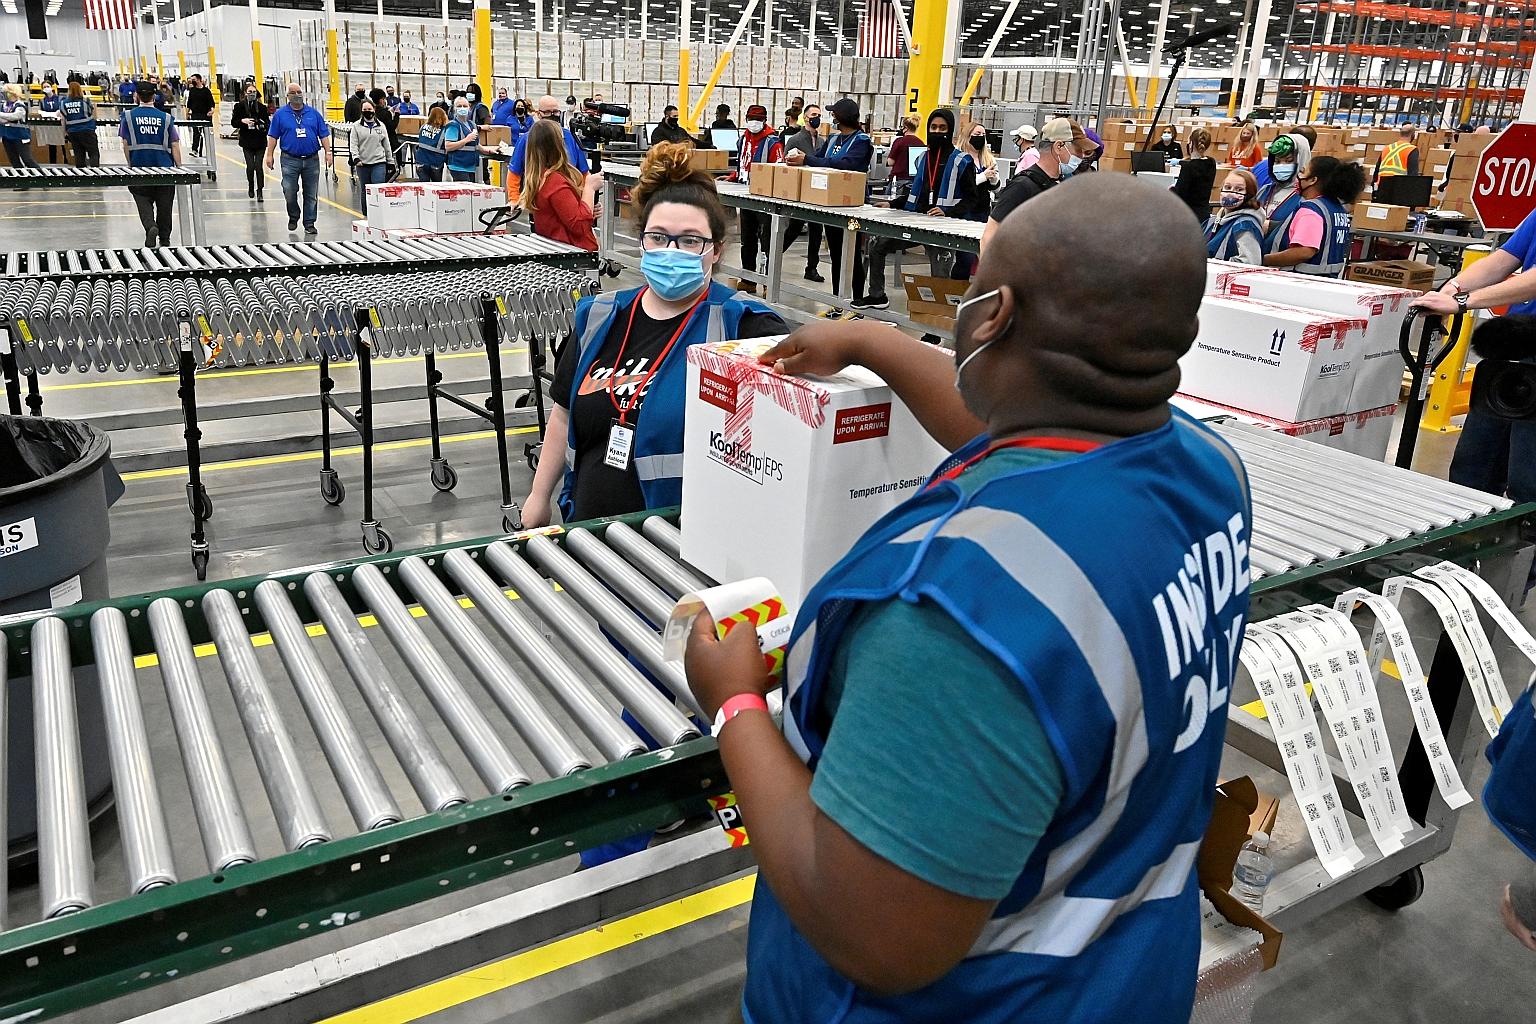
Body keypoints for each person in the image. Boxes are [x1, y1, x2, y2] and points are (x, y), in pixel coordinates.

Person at [682, 173, 1251, 1024]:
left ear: (994, 316)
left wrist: (733, 705)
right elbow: (1013, 432)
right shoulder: (1207, 473)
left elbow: (874, 936)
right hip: (1117, 980)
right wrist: (869, 341)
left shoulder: (956, 614)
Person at [523, 139, 786, 529]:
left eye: (690, 240)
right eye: (659, 237)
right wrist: (538, 496)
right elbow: (563, 415)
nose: (671, 250)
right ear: (642, 240)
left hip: (681, 545)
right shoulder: (599, 316)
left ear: (715, 250)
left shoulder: (744, 327)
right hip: (587, 531)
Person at [1407, 206, 1536, 510]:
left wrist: (1463, 302)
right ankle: (1464, 552)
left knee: (1528, 480)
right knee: (1473, 468)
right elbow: (1504, 259)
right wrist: (1451, 288)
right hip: (1515, 349)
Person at [856, 108, 981, 309]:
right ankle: (877, 295)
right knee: (877, 245)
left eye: (943, 128)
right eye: (933, 127)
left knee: (939, 275)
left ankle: (937, 322)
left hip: (942, 229)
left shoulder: (962, 161)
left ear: (950, 130)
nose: (937, 131)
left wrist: (947, 212)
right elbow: (918, 193)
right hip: (916, 223)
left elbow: (971, 199)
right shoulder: (923, 158)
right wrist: (892, 203)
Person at [786, 98, 870, 291]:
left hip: (854, 209)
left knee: (851, 254)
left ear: (842, 117)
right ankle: (838, 300)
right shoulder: (833, 139)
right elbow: (820, 159)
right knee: (836, 254)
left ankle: (855, 299)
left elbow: (847, 165)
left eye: (834, 114)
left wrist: (808, 159)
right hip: (831, 205)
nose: (832, 118)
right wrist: (803, 157)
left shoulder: (861, 141)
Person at [982, 116, 1090, 252]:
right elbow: (990, 235)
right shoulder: (1022, 186)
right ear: (1059, 147)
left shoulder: (1058, 185)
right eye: (1078, 150)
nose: (1082, 156)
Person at [1262, 155, 1365, 275]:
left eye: (1303, 172)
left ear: (1313, 180)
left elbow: (1304, 251)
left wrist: (1263, 260)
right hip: (1325, 282)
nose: (1298, 177)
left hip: (1300, 283)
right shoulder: (1337, 209)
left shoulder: (1311, 210)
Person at [519, 118, 603, 251]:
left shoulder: (540, 178)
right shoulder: (555, 182)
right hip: (573, 253)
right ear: (557, 146)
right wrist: (589, 189)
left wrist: (588, 206)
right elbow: (579, 226)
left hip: (555, 248)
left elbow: (562, 216)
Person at [725, 105, 783, 296]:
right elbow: (743, 165)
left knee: (766, 241)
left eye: (758, 119)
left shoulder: (772, 141)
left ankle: (766, 282)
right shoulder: (743, 139)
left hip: (765, 198)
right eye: (751, 119)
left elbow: (779, 168)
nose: (754, 122)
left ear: (765, 120)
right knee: (747, 240)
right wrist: (733, 176)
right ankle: (748, 280)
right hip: (746, 196)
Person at [119, 82, 182, 247]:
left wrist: (130, 163)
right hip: (164, 168)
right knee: (165, 204)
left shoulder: (128, 117)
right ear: (154, 97)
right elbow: (174, 144)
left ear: (137, 96)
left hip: (139, 167)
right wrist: (179, 167)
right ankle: (165, 238)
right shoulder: (166, 118)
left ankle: (150, 226)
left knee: (142, 200)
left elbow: (125, 143)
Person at [265, 82, 334, 235]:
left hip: (311, 159)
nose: (297, 95)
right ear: (287, 96)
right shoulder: (280, 115)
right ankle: (293, 215)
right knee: (289, 190)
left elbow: (323, 134)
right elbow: (273, 136)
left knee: (311, 193)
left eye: (299, 92)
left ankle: (309, 222)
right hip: (290, 159)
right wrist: (269, 154)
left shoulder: (314, 114)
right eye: (293, 92)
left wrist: (328, 152)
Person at [506, 94, 590, 201]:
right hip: (538, 199)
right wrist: (514, 200)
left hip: (568, 197)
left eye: (555, 112)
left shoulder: (569, 136)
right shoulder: (527, 139)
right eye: (547, 112)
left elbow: (584, 173)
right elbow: (514, 172)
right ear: (539, 114)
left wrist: (586, 199)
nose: (552, 115)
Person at [1204, 168, 1265, 264]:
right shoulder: (1212, 221)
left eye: (1239, 189)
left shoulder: (1245, 225)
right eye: (1227, 187)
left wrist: (1215, 264)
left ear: (1249, 195)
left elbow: (1250, 262)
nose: (1231, 192)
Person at [351, 98, 394, 214]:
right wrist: (356, 158)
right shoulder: (356, 127)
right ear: (361, 111)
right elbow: (353, 144)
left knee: (377, 188)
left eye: (369, 109)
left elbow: (387, 145)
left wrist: (390, 162)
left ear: (374, 109)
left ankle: (379, 213)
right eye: (364, 109)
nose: (367, 111)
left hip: (379, 162)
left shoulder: (381, 126)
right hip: (363, 164)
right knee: (365, 190)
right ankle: (367, 214)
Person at [232, 83, 270, 199]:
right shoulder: (239, 107)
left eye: (254, 92)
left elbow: (268, 124)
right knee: (250, 166)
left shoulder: (262, 107)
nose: (252, 94)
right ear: (245, 93)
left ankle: (260, 190)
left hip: (260, 141)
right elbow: (234, 123)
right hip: (246, 141)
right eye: (249, 92)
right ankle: (250, 185)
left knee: (258, 166)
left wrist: (260, 124)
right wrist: (243, 121)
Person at [1171, 126, 1216, 221]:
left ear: (1191, 143)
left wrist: (1171, 189)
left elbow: (1180, 194)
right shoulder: (1211, 162)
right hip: (1203, 213)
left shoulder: (1188, 167)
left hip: (1188, 215)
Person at [60, 81, 100, 168]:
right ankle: (95, 174)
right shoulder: (86, 101)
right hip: (87, 130)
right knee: (93, 153)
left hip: (73, 132)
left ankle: (82, 176)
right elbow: (94, 115)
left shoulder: (64, 103)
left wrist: (64, 133)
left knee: (79, 155)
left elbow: (63, 119)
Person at [0, 84, 40, 170]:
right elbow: (3, 120)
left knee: (27, 159)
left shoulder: (20, 106)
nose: (4, 94)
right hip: (7, 136)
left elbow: (15, 116)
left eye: (6, 92)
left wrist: (4, 116)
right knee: (14, 161)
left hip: (20, 136)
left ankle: (43, 177)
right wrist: (5, 117)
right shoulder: (3, 106)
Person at [443, 96, 482, 182]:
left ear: (469, 108)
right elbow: (448, 146)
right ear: (455, 109)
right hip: (458, 166)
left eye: (465, 106)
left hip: (471, 166)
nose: (462, 108)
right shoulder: (453, 125)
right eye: (459, 106)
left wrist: (489, 150)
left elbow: (476, 144)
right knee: (464, 193)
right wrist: (466, 140)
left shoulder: (472, 125)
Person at [1374, 123, 1421, 187]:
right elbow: (1413, 174)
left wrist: (1374, 187)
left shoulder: (1387, 148)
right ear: (1412, 135)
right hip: (1398, 187)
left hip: (1381, 186)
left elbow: (1377, 169)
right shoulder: (1412, 149)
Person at [887, 115, 921, 199]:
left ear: (905, 128)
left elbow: (890, 162)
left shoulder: (899, 141)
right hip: (914, 182)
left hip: (898, 182)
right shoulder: (921, 142)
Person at [966, 122, 999, 209]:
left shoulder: (989, 159)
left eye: (983, 134)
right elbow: (961, 185)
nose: (981, 136)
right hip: (965, 208)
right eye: (978, 134)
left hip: (984, 209)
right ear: (968, 136)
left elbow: (996, 189)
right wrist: (983, 176)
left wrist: (994, 179)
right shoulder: (960, 158)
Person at [413, 106, 449, 181]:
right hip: (436, 163)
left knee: (424, 188)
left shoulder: (423, 127)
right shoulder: (444, 130)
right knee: (436, 188)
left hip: (421, 162)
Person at [185, 74, 214, 156]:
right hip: (195, 114)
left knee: (207, 133)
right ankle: (195, 150)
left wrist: (212, 110)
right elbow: (189, 103)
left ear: (199, 80)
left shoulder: (206, 91)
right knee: (196, 133)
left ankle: (209, 150)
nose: (192, 81)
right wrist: (187, 113)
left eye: (193, 79)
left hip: (206, 115)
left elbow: (211, 102)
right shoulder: (192, 90)